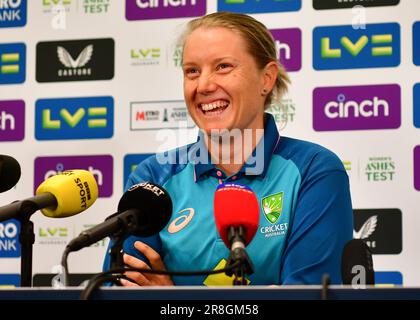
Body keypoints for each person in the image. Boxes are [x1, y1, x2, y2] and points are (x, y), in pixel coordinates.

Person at [103, 12, 353, 286]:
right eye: (192, 71)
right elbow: (122, 289)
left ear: (266, 79)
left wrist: (172, 297)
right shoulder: (153, 177)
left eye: (223, 66)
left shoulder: (314, 170)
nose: (204, 85)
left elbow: (306, 294)